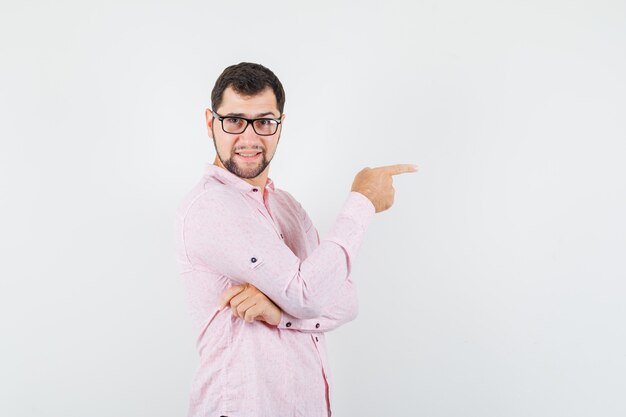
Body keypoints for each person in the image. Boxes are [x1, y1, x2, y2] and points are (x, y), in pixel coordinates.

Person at [175, 62, 417, 417]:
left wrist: (279, 312)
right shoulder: (211, 206)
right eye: (234, 120)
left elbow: (345, 300)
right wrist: (362, 202)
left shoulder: (288, 207)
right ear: (211, 122)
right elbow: (307, 294)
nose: (249, 137)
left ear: (280, 125)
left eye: (264, 121)